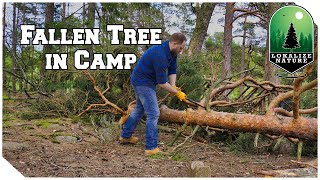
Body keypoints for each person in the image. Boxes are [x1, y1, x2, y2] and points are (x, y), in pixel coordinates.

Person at [119, 33, 187, 155]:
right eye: (181, 48)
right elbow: (162, 83)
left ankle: (125, 136)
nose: (181, 51)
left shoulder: (172, 53)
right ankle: (151, 147)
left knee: (139, 109)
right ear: (175, 43)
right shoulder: (159, 54)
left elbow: (172, 70)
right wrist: (176, 93)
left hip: (148, 82)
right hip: (142, 82)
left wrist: (174, 86)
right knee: (154, 113)